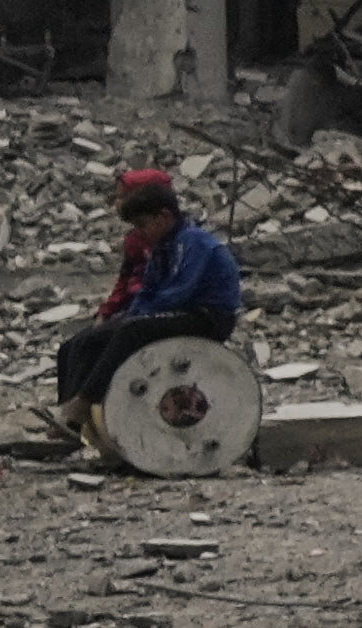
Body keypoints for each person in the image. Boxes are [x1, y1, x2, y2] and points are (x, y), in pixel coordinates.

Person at [50, 163, 238, 437]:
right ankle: (69, 418)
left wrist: (139, 315)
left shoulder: (194, 243)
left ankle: (84, 403)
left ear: (163, 217)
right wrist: (131, 313)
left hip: (207, 317)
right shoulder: (163, 246)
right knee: (85, 340)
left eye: (142, 225)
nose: (139, 233)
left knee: (131, 330)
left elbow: (179, 291)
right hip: (177, 311)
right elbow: (148, 289)